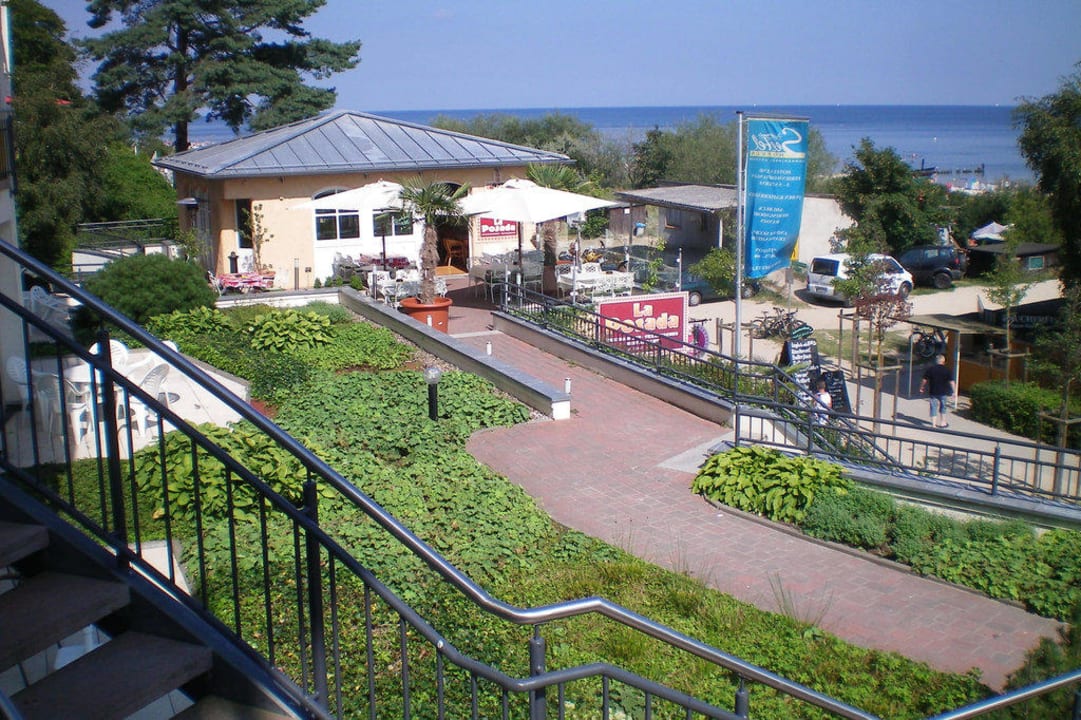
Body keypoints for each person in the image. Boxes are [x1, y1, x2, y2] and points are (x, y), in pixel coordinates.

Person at [919, 354, 955, 428]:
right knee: (943, 407)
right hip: (943, 392)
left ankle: (933, 424)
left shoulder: (931, 369)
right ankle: (943, 423)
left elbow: (924, 379)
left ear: (936, 361)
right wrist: (954, 392)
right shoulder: (947, 370)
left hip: (933, 392)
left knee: (933, 407)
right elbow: (951, 382)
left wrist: (922, 387)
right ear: (943, 361)